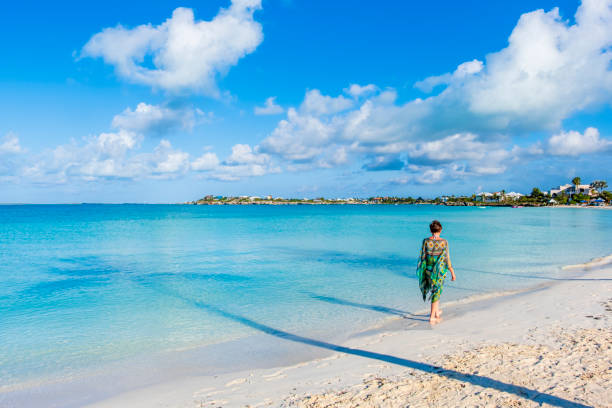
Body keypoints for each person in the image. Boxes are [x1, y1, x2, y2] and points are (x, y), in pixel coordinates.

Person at [416, 220, 456, 324]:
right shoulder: (444, 242)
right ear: (441, 230)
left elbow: (422, 257)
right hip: (439, 272)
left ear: (430, 230)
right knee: (436, 292)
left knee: (435, 292)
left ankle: (437, 312)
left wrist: (422, 271)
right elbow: (447, 259)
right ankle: (432, 316)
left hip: (428, 270)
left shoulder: (425, 241)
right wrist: (452, 272)